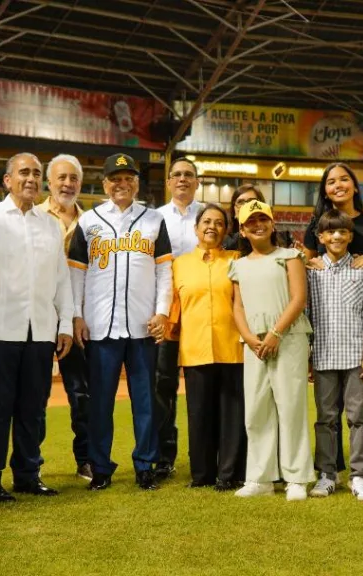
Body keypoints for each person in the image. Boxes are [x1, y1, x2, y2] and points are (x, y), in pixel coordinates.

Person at [0, 153, 74, 502]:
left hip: (41, 331)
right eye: (24, 172)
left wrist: (65, 323)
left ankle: (28, 474)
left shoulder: (50, 225)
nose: (31, 178)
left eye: (36, 173)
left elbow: (61, 278)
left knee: (34, 409)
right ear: (7, 180)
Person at [68, 153, 172, 491]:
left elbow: (164, 271)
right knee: (100, 403)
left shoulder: (154, 219)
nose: (122, 184)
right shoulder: (88, 221)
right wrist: (77, 314)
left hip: (143, 325)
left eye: (128, 178)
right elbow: (76, 274)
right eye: (115, 179)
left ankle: (145, 465)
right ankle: (100, 467)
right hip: (100, 326)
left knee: (145, 403)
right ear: (105, 184)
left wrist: (162, 311)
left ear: (137, 184)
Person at [302, 162, 363, 484]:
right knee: (327, 415)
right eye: (331, 181)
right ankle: (329, 471)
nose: (338, 185)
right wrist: (309, 264)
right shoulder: (316, 227)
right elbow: (307, 266)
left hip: (357, 335)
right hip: (326, 342)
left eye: (344, 179)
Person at [229, 200, 314, 501]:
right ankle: (260, 478)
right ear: (242, 230)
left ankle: (297, 478)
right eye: (250, 222)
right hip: (254, 345)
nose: (258, 225)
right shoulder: (238, 265)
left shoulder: (289, 256)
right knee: (256, 410)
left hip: (288, 338)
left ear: (272, 223)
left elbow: (298, 299)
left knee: (291, 408)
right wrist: (249, 338)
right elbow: (237, 307)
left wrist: (276, 333)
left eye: (262, 219)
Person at [167, 203, 247, 490]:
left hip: (232, 349)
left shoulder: (237, 260)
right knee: (199, 416)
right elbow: (173, 307)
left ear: (226, 230)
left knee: (232, 416)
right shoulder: (179, 265)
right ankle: (201, 475)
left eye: (219, 223)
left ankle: (229, 474)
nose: (212, 226)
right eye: (207, 222)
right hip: (195, 349)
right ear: (196, 228)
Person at [39, 153, 92, 481]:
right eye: (61, 177)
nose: (67, 184)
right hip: (39, 317)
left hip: (76, 319)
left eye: (73, 178)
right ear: (49, 182)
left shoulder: (91, 223)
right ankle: (31, 463)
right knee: (35, 394)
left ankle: (85, 458)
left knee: (81, 394)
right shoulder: (33, 216)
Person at [153, 157, 203, 479]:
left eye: (189, 175)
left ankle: (206, 455)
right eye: (177, 175)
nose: (183, 179)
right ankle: (163, 457)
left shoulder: (209, 216)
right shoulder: (154, 218)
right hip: (167, 311)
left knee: (204, 384)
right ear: (168, 182)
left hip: (202, 310)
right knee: (163, 385)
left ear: (197, 182)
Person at [224, 184, 265, 250]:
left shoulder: (277, 243)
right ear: (234, 211)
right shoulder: (226, 244)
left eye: (252, 201)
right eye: (240, 202)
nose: (245, 206)